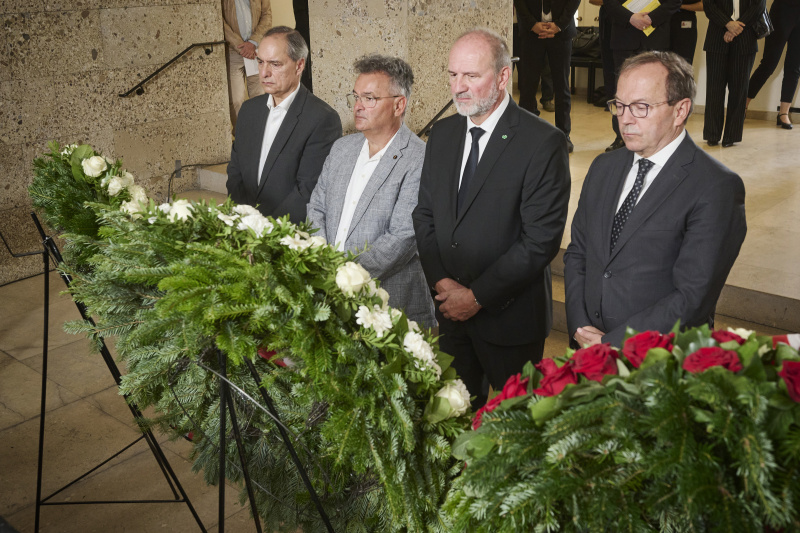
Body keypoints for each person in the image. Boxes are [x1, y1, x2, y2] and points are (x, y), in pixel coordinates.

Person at [413, 28, 570, 407]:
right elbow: (425, 215)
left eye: (471, 76)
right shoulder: (444, 134)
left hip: (509, 320)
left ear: (503, 77)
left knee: (515, 431)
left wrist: (477, 296)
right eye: (453, 75)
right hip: (450, 311)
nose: (458, 87)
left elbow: (539, 242)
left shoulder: (542, 142)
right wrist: (443, 284)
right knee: (454, 418)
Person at [564, 51, 747, 348]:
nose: (625, 119)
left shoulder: (717, 187)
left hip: (660, 361)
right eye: (619, 105)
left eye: (640, 107)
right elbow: (578, 253)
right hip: (587, 348)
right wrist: (580, 325)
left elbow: (692, 296)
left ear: (680, 110)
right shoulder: (603, 167)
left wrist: (612, 344)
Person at [307, 54, 435, 327]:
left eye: (370, 98)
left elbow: (402, 237)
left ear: (399, 104)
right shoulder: (342, 148)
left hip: (388, 303)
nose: (358, 106)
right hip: (328, 294)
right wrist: (322, 263)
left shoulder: (420, 159)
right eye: (356, 97)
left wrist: (343, 278)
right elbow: (316, 207)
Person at [226, 26, 342, 223]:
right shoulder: (248, 111)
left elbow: (307, 191)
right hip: (244, 230)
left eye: (275, 64)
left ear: (299, 66)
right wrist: (242, 222)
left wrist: (265, 231)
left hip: (287, 234)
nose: (264, 73)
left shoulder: (322, 119)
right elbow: (235, 174)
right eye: (260, 62)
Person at [602, 0, 680, 152]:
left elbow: (675, 2)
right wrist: (630, 17)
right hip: (623, 39)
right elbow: (609, 3)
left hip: (655, 37)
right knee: (623, 93)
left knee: (656, 92)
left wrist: (652, 18)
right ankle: (621, 137)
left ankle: (655, 135)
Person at [515, 0, 581, 152]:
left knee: (562, 85)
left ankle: (564, 135)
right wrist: (532, 24)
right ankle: (525, 134)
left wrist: (559, 25)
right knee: (528, 87)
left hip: (561, 33)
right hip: (531, 33)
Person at [703, 0, 766, 147]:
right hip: (717, 37)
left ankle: (731, 135)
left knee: (739, 90)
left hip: (746, 38)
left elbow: (759, 5)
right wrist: (728, 23)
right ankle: (712, 134)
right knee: (714, 89)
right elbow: (709, 5)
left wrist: (737, 26)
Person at [747, 0, 800, 130]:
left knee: (794, 67)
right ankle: (743, 104)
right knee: (768, 64)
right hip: (782, 10)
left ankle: (783, 113)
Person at [222, 0, 272, 128]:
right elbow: (219, 20)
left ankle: (259, 135)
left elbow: (267, 15)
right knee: (236, 99)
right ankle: (241, 136)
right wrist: (240, 47)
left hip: (256, 51)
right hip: (233, 52)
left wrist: (253, 42)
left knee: (260, 97)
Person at [669, 0, 704, 64]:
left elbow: (703, 6)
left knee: (683, 64)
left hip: (685, 27)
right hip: (662, 27)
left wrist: (679, 6)